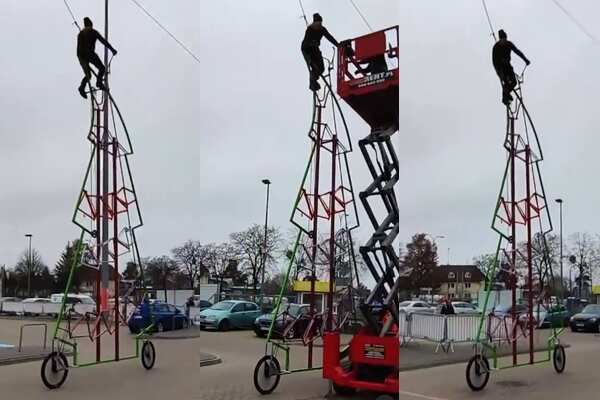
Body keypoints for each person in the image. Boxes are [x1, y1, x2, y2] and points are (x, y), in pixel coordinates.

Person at [77, 17, 117, 99]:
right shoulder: (88, 32)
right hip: (86, 55)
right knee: (95, 71)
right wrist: (112, 50)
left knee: (94, 72)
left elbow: (103, 41)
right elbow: (103, 41)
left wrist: (112, 49)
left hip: (85, 55)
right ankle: (90, 85)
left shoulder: (85, 33)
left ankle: (90, 84)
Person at [301, 13, 339, 91]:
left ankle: (314, 79)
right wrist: (313, 44)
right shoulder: (310, 29)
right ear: (314, 23)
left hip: (315, 48)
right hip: (307, 49)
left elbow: (329, 37)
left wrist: (338, 45)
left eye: (320, 23)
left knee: (321, 68)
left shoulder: (322, 29)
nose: (319, 25)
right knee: (314, 65)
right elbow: (306, 43)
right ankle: (312, 82)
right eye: (317, 23)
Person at [492, 29, 530, 105]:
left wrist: (525, 59)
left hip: (508, 66)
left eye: (505, 39)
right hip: (500, 68)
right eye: (502, 39)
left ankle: (507, 94)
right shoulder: (496, 47)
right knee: (505, 82)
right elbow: (494, 61)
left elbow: (517, 51)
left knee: (514, 82)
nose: (504, 41)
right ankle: (505, 98)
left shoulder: (509, 44)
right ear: (500, 39)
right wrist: (499, 72)